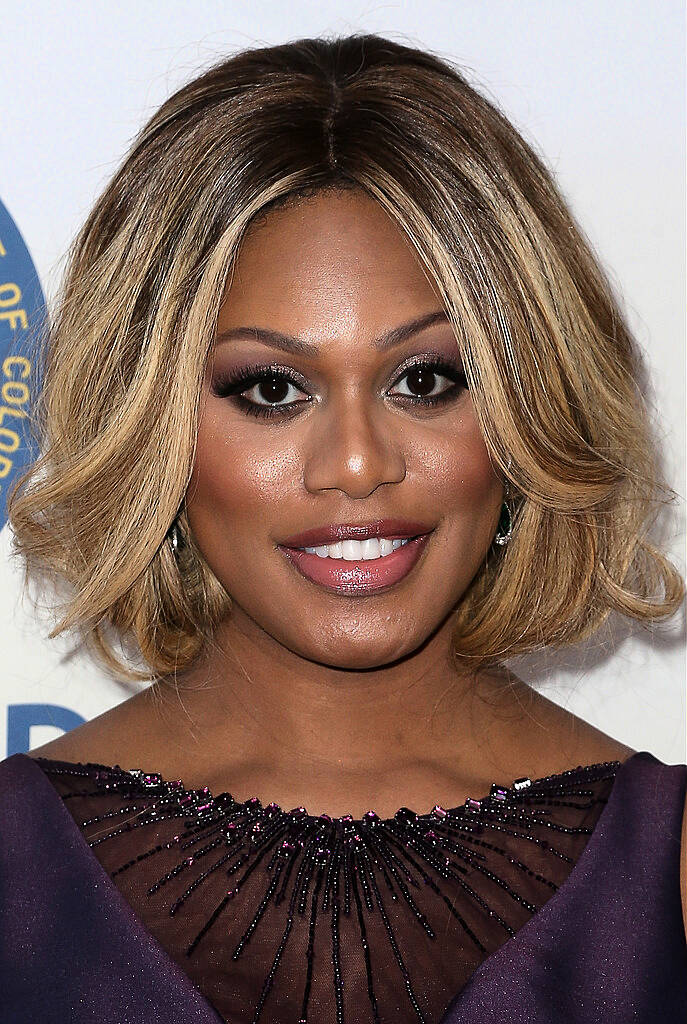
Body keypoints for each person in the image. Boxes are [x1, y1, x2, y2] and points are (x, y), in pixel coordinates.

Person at [0, 32, 685, 1024]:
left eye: (426, 380)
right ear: (154, 428)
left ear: (527, 408)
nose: (359, 462)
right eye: (271, 388)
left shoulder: (666, 872)